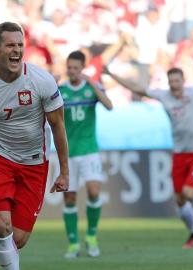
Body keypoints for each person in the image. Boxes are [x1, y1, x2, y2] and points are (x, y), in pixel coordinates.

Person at [0, 22, 69, 270]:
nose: (16, 50)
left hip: (34, 162)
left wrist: (64, 171)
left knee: (17, 239)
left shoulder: (42, 81)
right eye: (10, 45)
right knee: (3, 226)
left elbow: (58, 126)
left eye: (20, 45)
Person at [104, 49, 193, 249]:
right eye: (171, 81)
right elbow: (137, 88)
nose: (174, 84)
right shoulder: (164, 96)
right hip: (180, 152)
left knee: (188, 193)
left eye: (177, 81)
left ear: (183, 80)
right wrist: (112, 75)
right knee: (179, 200)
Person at [58, 50, 113, 258]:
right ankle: (73, 244)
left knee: (93, 191)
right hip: (68, 153)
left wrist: (93, 84)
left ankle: (91, 236)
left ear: (82, 68)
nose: (71, 71)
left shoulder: (91, 88)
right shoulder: (60, 90)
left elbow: (109, 106)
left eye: (75, 68)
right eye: (69, 67)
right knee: (69, 198)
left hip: (89, 150)